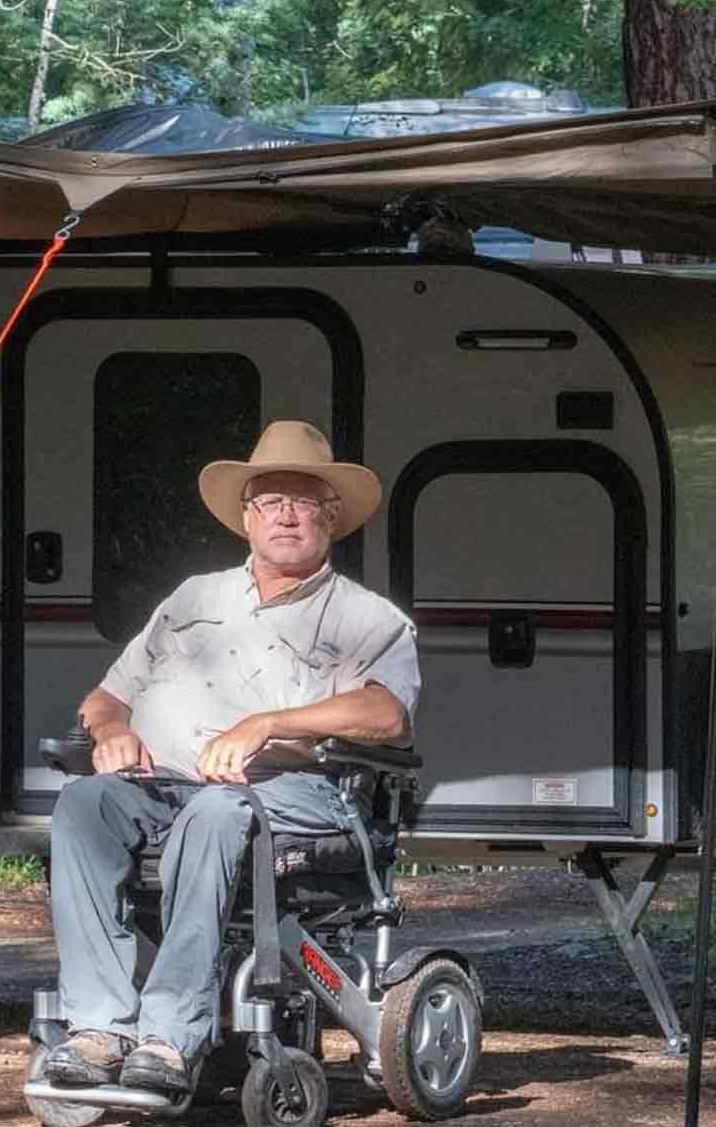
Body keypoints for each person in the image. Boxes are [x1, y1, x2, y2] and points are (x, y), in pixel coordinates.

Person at [42, 420, 420, 1094]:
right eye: (269, 500)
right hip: (165, 784)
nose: (285, 515)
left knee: (215, 813)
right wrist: (111, 730)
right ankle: (98, 1027)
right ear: (246, 518)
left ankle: (169, 1038)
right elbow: (107, 695)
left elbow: (387, 714)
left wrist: (268, 724)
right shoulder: (194, 598)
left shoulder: (368, 617)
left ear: (331, 517)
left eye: (303, 500)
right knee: (82, 804)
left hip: (293, 793)